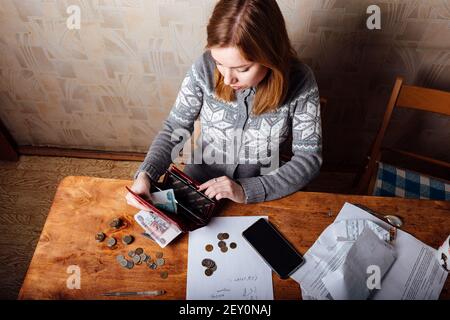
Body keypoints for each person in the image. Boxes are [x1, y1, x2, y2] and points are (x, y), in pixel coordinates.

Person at [126, 0, 322, 210]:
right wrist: (147, 173)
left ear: (270, 55)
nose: (227, 79)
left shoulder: (301, 81)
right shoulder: (203, 69)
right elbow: (175, 127)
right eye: (219, 63)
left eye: (242, 69)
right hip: (199, 182)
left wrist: (245, 190)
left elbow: (307, 159)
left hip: (263, 186)